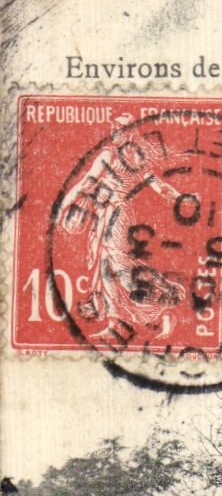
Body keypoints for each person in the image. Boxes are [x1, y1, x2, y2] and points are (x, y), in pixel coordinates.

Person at [56, 114, 189, 341]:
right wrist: (178, 198)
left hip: (116, 214)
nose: (115, 133)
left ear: (129, 133)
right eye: (114, 129)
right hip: (107, 214)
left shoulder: (113, 156)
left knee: (118, 262)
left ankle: (164, 299)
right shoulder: (135, 159)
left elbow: (86, 183)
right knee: (106, 269)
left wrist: (62, 209)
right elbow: (157, 185)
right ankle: (118, 320)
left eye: (120, 129)